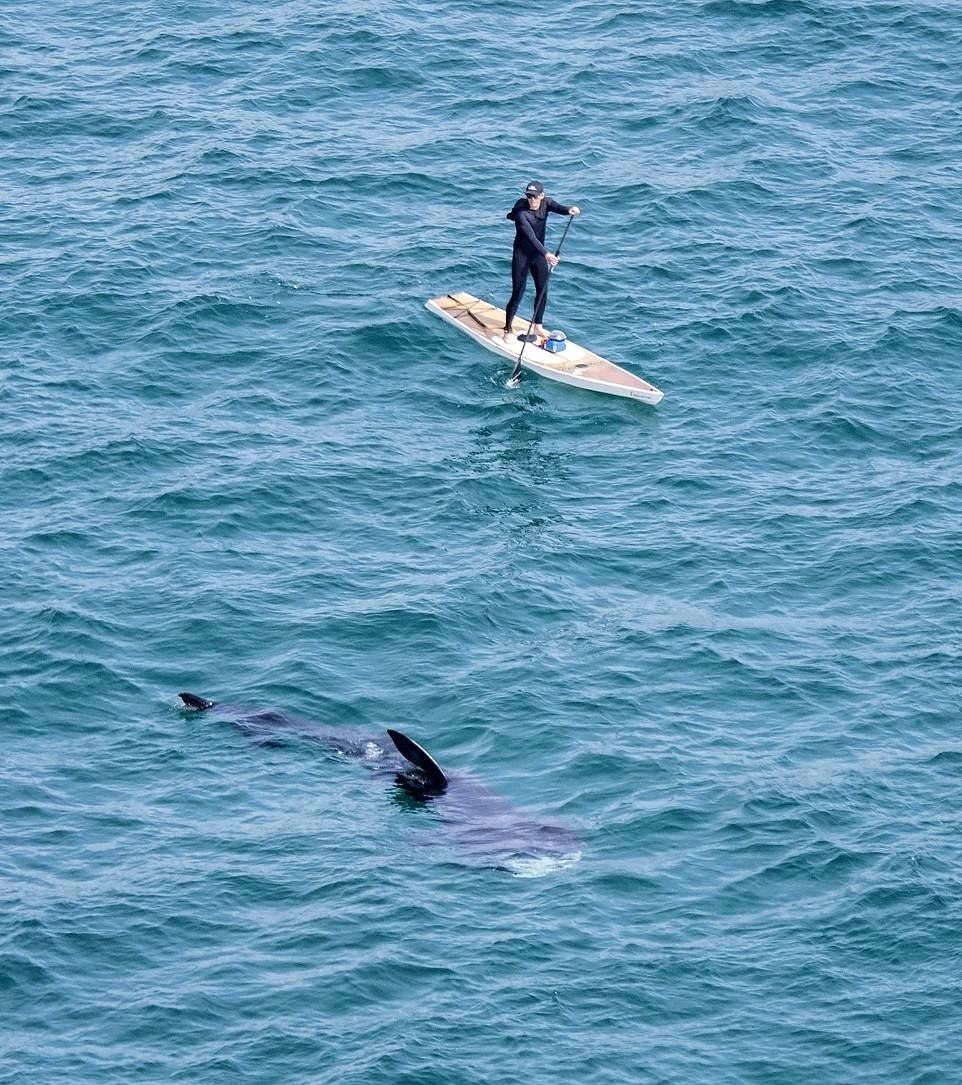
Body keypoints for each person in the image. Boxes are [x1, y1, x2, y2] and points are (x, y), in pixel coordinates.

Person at [504, 181, 580, 340]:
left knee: (543, 289)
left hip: (538, 256)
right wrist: (547, 254)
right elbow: (530, 237)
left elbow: (559, 208)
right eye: (528, 196)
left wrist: (569, 210)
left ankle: (538, 326)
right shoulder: (521, 212)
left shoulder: (547, 203)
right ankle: (507, 329)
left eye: (534, 197)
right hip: (522, 255)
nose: (531, 200)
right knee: (518, 292)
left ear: (542, 196)